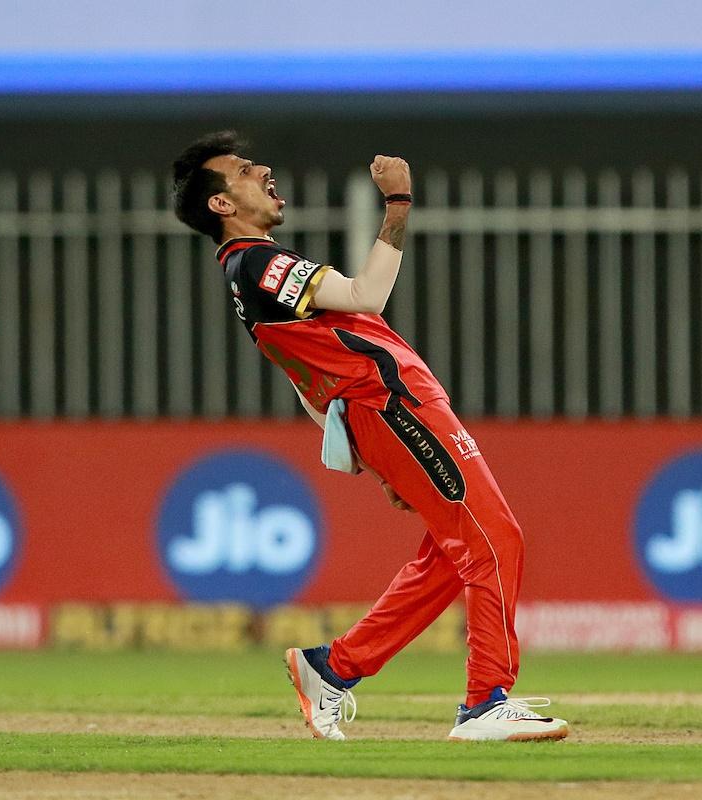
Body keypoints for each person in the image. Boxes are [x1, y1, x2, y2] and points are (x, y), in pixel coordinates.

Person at [171, 131, 568, 743]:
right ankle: (486, 702)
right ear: (221, 205)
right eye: (246, 171)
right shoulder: (259, 262)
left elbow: (308, 385)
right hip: (393, 406)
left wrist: (377, 459)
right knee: (495, 540)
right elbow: (368, 296)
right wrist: (398, 205)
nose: (264, 170)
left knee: (453, 552)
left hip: (388, 415)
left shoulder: (249, 273)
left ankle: (332, 669)